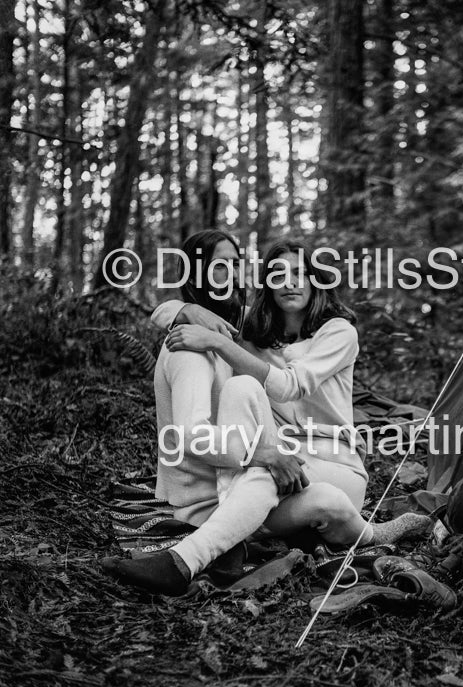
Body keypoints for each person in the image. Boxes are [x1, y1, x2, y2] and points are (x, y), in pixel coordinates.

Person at [102, 235, 429, 596]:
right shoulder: (254, 335)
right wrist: (183, 310)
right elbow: (167, 313)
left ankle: (185, 560)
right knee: (243, 391)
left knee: (272, 469)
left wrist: (217, 342)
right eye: (278, 274)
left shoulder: (337, 332)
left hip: (334, 464)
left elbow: (290, 385)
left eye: (300, 274)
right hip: (281, 463)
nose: (289, 282)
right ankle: (244, 534)